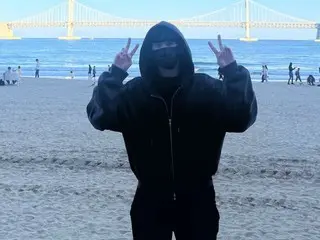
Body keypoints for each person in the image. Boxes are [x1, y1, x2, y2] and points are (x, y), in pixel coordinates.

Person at [86, 21, 257, 240]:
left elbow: (241, 117)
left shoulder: (206, 88)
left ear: (181, 48)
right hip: (149, 199)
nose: (164, 50)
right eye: (157, 46)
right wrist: (116, 74)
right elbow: (101, 116)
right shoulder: (135, 93)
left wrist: (232, 71)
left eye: (169, 43)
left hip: (199, 199)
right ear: (149, 52)